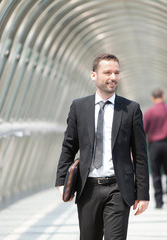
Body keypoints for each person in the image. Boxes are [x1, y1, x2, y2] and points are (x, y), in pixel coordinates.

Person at [55, 53, 150, 240]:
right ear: (93, 75)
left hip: (118, 188)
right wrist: (60, 180)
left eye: (116, 73)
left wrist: (143, 193)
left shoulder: (131, 109)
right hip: (87, 188)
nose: (113, 77)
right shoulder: (79, 107)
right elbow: (69, 145)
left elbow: (140, 154)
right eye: (107, 72)